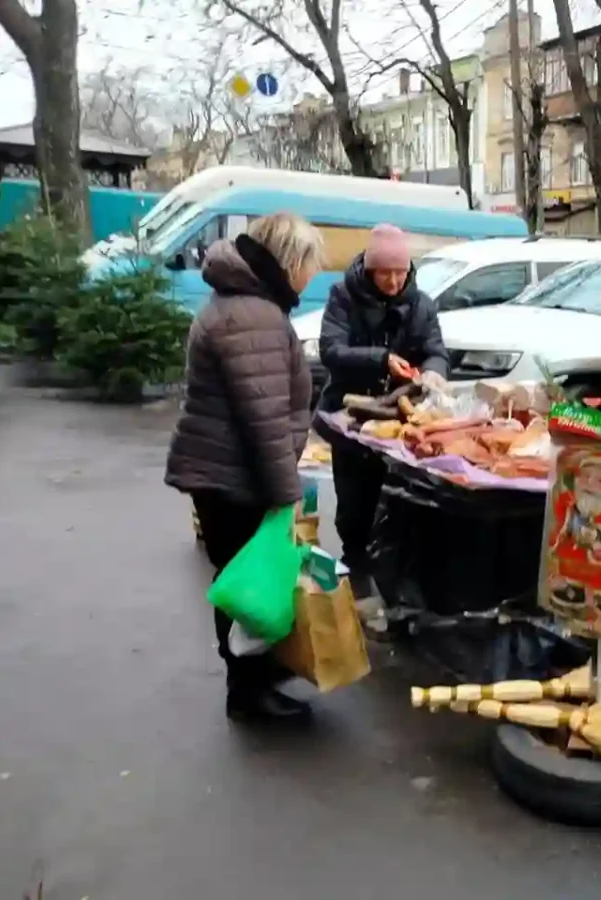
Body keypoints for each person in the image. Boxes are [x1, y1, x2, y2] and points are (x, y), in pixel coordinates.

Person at [165, 212, 322, 723]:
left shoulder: (245, 304)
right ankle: (248, 694)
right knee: (247, 586)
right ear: (288, 262)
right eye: (308, 267)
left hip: (227, 471)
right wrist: (287, 491)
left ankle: (257, 675)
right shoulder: (251, 315)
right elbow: (266, 420)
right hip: (234, 477)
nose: (310, 279)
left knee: (247, 578)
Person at [315, 224, 449, 595]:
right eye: (384, 273)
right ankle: (355, 570)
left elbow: (436, 351)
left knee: (396, 501)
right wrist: (381, 360)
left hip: (399, 421)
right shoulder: (343, 296)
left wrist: (433, 374)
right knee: (354, 501)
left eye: (400, 272)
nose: (392, 281)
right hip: (351, 418)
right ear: (369, 270)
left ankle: (394, 579)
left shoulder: (421, 304)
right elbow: (332, 351)